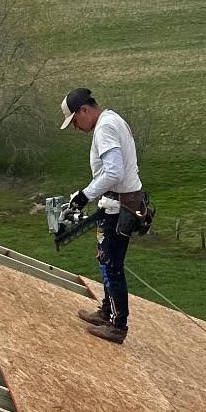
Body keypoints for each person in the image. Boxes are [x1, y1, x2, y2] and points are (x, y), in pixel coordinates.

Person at [59, 88, 146, 344]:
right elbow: (109, 173)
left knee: (112, 265)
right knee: (106, 259)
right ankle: (107, 312)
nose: (76, 127)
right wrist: (84, 193)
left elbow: (114, 173)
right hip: (121, 203)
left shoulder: (105, 127)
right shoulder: (111, 120)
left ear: (85, 110)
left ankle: (118, 326)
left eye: (75, 121)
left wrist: (85, 195)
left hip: (120, 208)